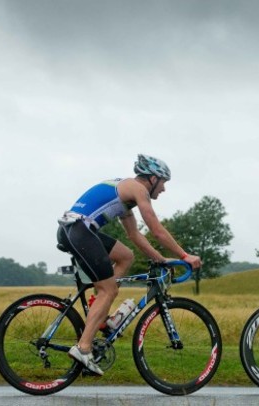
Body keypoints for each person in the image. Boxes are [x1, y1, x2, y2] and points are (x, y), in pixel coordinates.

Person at [56, 154, 201, 375]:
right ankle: (83, 348)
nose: (163, 189)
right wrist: (184, 256)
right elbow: (157, 230)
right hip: (79, 231)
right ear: (153, 179)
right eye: (163, 183)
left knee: (126, 256)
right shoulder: (138, 189)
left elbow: (134, 235)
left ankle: (101, 319)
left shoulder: (126, 194)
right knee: (109, 290)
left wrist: (161, 260)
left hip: (74, 229)